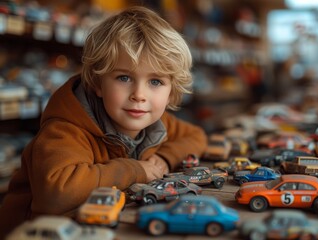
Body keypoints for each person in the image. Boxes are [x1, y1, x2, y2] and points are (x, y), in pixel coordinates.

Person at [0, 6, 207, 237]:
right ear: (98, 83)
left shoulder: (156, 123)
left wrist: (164, 159)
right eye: (124, 77)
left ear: (171, 91)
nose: (139, 95)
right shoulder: (66, 129)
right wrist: (136, 169)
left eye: (156, 82)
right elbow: (55, 195)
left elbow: (196, 136)